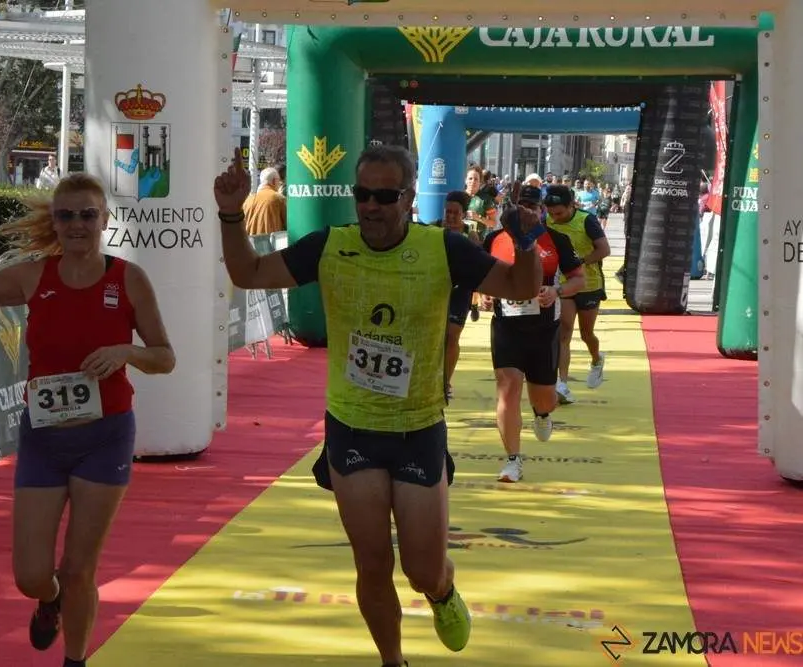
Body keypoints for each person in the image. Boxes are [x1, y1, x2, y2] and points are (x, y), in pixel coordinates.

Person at [214, 145, 544, 667]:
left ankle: (442, 592)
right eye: (363, 195)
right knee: (371, 563)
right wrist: (231, 215)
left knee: (422, 569)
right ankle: (393, 661)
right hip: (352, 427)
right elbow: (249, 273)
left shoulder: (443, 248)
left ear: (409, 198)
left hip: (417, 427)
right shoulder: (330, 245)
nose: (371, 206)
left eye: (384, 196)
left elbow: (520, 287)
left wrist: (525, 244)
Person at [0, 173, 175, 667]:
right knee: (31, 574)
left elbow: (165, 357)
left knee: (81, 568)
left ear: (105, 219)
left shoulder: (128, 278)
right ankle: (49, 597)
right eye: (67, 215)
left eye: (88, 215)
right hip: (43, 438)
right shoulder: (34, 275)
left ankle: (75, 659)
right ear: (54, 222)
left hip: (105, 436)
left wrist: (126, 350)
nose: (78, 224)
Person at [478, 186, 586, 483]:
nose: (526, 211)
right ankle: (513, 460)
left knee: (544, 398)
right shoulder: (495, 240)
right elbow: (482, 277)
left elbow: (579, 278)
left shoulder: (557, 240)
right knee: (508, 386)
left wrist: (557, 290)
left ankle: (541, 414)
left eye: (532, 206)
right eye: (521, 205)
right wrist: (484, 295)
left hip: (543, 330)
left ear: (541, 211)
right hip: (507, 326)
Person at [543, 185, 611, 404]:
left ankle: (596, 359)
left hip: (589, 283)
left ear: (571, 205)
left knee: (586, 334)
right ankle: (561, 384)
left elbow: (604, 250)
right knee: (564, 332)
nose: (555, 218)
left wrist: (579, 262)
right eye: (551, 213)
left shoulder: (587, 220)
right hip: (564, 284)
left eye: (559, 213)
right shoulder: (546, 221)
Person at [440, 190, 478, 402]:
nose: (450, 216)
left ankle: (445, 382)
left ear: (463, 214)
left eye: (455, 212)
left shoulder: (470, 235)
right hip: (435, 289)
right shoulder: (433, 228)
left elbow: (479, 264)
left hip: (460, 290)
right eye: (448, 212)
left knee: (452, 336)